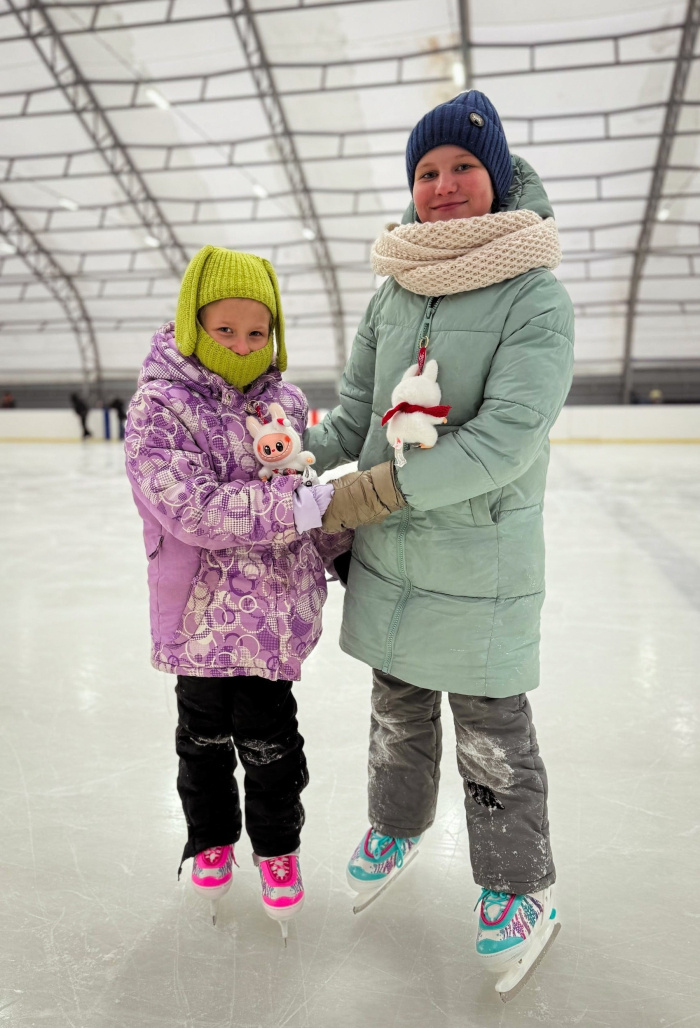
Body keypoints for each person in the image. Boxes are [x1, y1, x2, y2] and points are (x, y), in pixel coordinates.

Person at [305, 90, 574, 988]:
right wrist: (287, 454)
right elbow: (352, 416)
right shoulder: (396, 289)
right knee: (397, 703)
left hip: (477, 553)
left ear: (496, 178)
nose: (444, 185)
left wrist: (384, 489)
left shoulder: (536, 295)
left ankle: (520, 885)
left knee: (491, 727)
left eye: (462, 167)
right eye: (426, 172)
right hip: (393, 553)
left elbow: (506, 440)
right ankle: (398, 820)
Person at [124, 246, 343, 931]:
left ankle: (278, 849)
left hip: (272, 621)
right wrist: (291, 509)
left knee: (273, 746)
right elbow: (188, 508)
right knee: (203, 740)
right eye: (226, 331)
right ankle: (211, 838)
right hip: (199, 619)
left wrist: (337, 545)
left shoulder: (287, 400)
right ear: (194, 326)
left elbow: (302, 488)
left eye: (258, 332)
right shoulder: (160, 407)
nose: (244, 346)